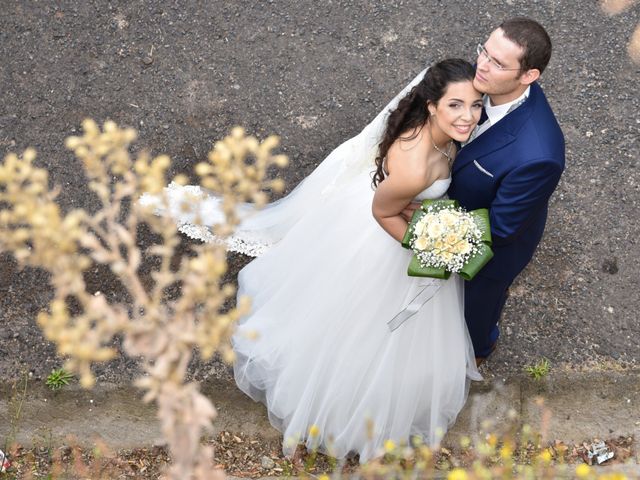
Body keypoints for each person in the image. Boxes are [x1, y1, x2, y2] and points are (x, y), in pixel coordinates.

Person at [145, 59, 483, 462]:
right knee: (363, 330)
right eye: (456, 106)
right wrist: (429, 247)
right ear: (431, 106)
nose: (468, 117)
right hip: (381, 237)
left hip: (389, 209)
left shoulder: (434, 134)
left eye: (476, 105)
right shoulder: (415, 166)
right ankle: (347, 410)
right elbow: (383, 212)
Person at [448, 18, 565, 363]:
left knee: (477, 309)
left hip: (494, 245)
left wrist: (424, 224)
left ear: (529, 76)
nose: (481, 65)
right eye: (484, 51)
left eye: (498, 63)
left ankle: (478, 352)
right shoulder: (478, 78)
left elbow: (500, 228)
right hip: (458, 200)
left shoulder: (539, 155)